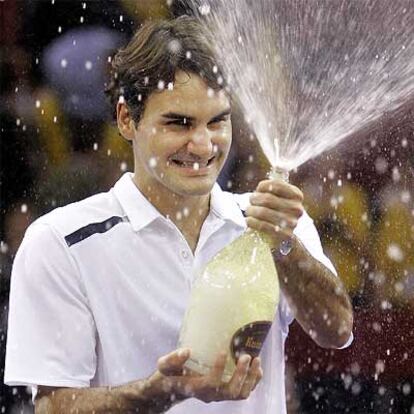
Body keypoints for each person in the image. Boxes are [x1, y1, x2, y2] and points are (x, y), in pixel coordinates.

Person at [4, 16, 353, 414]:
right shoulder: (59, 242)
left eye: (218, 121)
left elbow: (337, 331)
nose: (203, 145)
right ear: (126, 119)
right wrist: (160, 392)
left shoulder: (273, 224)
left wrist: (285, 246)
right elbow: (53, 408)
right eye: (179, 123)